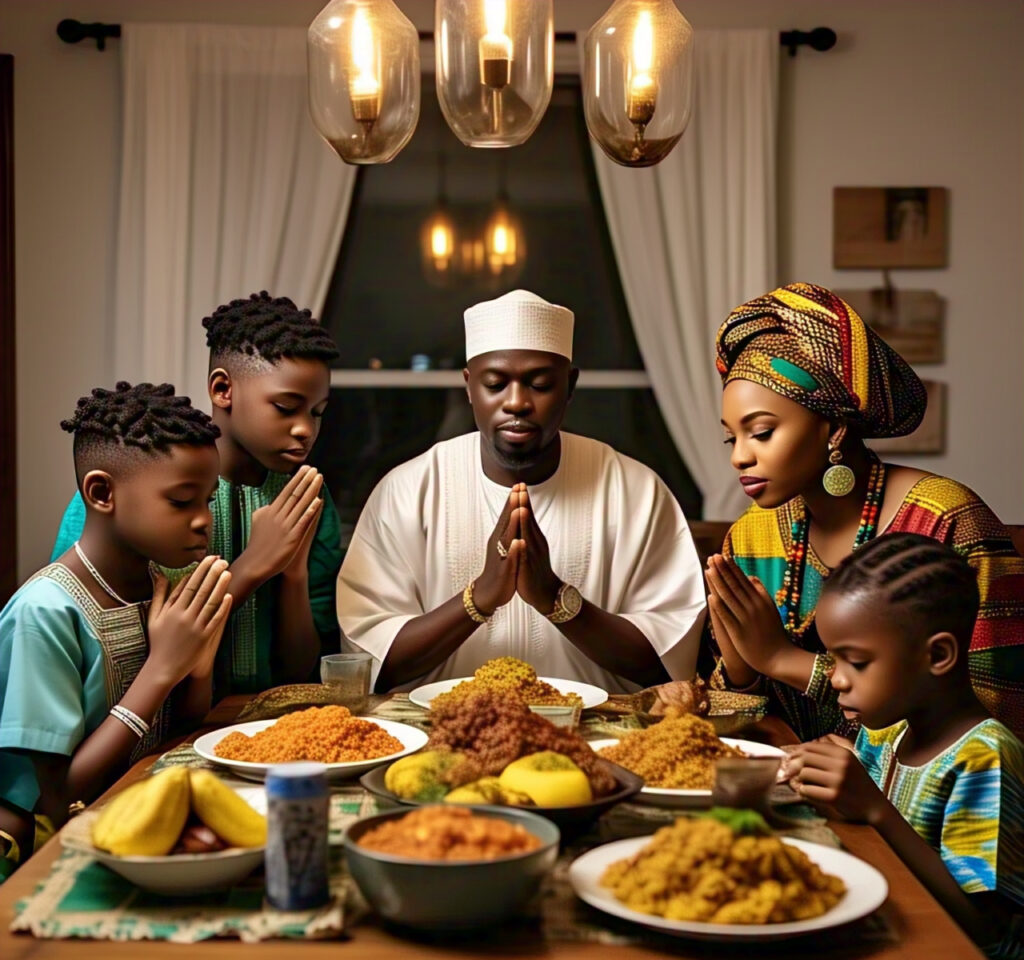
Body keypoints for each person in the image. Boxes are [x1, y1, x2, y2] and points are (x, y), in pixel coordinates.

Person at [337, 289, 705, 693]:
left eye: (541, 384)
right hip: (439, 738)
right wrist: (477, 600)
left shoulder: (635, 492)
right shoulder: (406, 492)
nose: (516, 403)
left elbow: (670, 661)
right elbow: (369, 663)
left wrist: (556, 599)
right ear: (468, 386)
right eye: (495, 384)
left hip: (601, 736)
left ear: (570, 385)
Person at [705, 282, 1024, 740]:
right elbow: (737, 726)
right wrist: (741, 672)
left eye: (761, 432)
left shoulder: (947, 521)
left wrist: (782, 659)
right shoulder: (751, 538)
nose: (739, 457)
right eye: (730, 438)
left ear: (832, 426)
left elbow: (1001, 714)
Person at [51, 293, 344, 693]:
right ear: (223, 389)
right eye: (285, 406)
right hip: (160, 731)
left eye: (317, 412)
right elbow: (99, 644)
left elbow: (299, 671)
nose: (305, 429)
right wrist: (256, 563)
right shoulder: (133, 489)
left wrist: (292, 573)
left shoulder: (306, 496)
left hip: (264, 727)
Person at [0, 383, 232, 880]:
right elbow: (57, 798)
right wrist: (162, 670)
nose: (202, 521)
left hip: (146, 823)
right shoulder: (46, 612)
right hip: (52, 848)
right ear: (102, 493)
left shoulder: (160, 584)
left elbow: (180, 738)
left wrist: (197, 670)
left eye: (208, 500)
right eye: (181, 501)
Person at [784, 533, 1023, 958]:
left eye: (855, 662)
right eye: (833, 659)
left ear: (937, 656)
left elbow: (982, 924)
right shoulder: (887, 732)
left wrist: (875, 807)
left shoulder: (984, 758)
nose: (836, 678)